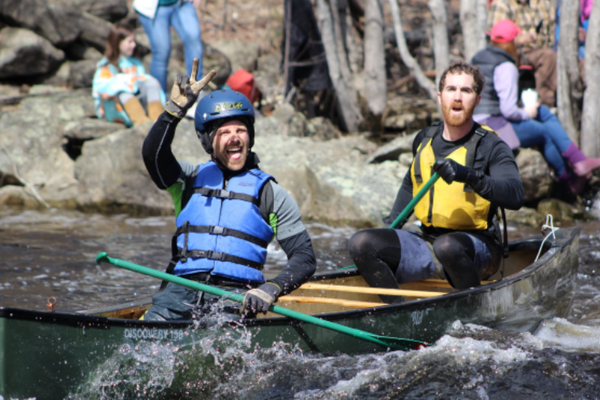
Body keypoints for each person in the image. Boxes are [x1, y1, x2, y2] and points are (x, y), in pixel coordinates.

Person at [140, 60, 316, 321]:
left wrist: (272, 288)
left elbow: (305, 258)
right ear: (208, 141)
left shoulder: (270, 194)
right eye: (224, 132)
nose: (234, 137)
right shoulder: (187, 180)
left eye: (240, 130)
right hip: (178, 295)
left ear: (250, 137)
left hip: (233, 299)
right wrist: (173, 112)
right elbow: (153, 157)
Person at [348, 62, 524, 300]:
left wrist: (468, 175)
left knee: (448, 246)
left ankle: (475, 311)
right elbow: (411, 183)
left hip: (478, 248)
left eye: (466, 91)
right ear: (440, 97)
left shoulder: (492, 146)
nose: (458, 97)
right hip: (428, 241)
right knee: (361, 243)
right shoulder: (424, 139)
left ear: (477, 99)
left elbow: (515, 195)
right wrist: (391, 225)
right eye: (451, 89)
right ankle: (398, 313)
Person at [472, 19, 600, 194]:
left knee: (543, 112)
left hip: (476, 124)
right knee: (544, 131)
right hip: (493, 127)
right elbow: (507, 110)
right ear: (511, 42)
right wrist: (527, 112)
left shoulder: (478, 58)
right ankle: (571, 180)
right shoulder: (506, 65)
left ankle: (578, 162)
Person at [92, 22, 166, 127]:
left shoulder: (135, 62)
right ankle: (142, 124)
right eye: (130, 42)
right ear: (117, 42)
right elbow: (100, 89)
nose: (134, 45)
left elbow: (141, 82)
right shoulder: (106, 66)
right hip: (115, 109)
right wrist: (123, 83)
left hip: (137, 102)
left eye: (134, 41)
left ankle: (158, 122)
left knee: (151, 84)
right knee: (123, 92)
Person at [487, 0, 557, 107]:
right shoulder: (501, 4)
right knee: (548, 57)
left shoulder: (543, 3)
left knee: (579, 63)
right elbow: (497, 41)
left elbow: (553, 30)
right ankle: (546, 103)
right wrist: (520, 39)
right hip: (516, 52)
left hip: (545, 48)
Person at [133, 0, 204, 93]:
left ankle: (195, 91)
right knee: (161, 53)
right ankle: (158, 98)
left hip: (181, 4)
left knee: (194, 40)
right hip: (154, 8)